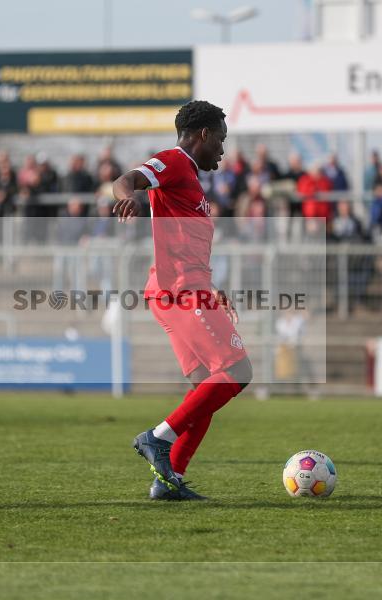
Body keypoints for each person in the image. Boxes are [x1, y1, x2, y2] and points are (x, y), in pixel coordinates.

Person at [112, 100, 253, 501]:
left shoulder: (189, 177)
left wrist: (211, 288)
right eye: (220, 139)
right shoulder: (174, 161)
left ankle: (168, 480)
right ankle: (158, 438)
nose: (222, 150)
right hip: (179, 290)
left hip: (185, 288)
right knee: (238, 371)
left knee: (205, 389)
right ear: (203, 135)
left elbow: (187, 246)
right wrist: (128, 196)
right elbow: (126, 179)